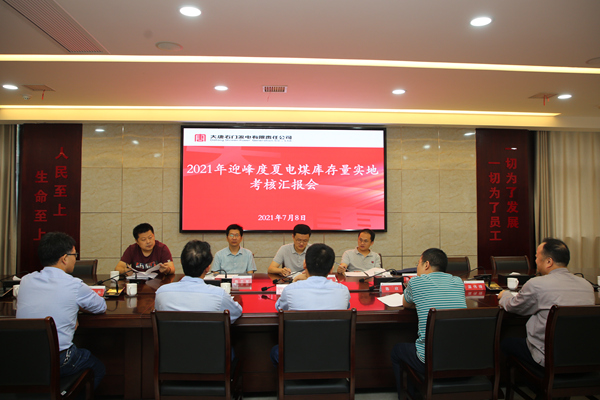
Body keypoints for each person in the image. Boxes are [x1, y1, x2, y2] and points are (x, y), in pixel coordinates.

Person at [16, 232, 107, 389]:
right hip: (59, 360)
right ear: (64, 258)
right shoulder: (74, 285)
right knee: (98, 369)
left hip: (23, 358)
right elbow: (100, 307)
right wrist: (76, 308)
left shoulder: (25, 281)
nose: (75, 259)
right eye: (74, 255)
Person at [498, 238, 595, 368]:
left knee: (506, 342)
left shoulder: (537, 284)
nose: (536, 261)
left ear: (549, 261)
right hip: (584, 358)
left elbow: (513, 306)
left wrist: (505, 295)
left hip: (548, 358)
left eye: (537, 257)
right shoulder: (587, 286)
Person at [390, 248, 466, 399]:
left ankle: (408, 395)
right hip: (462, 357)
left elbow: (406, 304)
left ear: (426, 264)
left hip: (430, 361)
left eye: (418, 263)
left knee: (397, 350)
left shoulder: (416, 282)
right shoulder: (458, 282)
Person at [271, 243, 351, 364]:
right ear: (331, 269)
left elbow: (279, 308)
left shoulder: (291, 290)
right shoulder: (343, 291)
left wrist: (294, 282)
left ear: (305, 264)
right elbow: (346, 307)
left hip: (298, 357)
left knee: (275, 351)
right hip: (334, 356)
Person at [155, 240, 243, 323]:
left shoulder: (161, 293)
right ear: (208, 268)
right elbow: (237, 312)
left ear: (181, 262)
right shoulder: (219, 295)